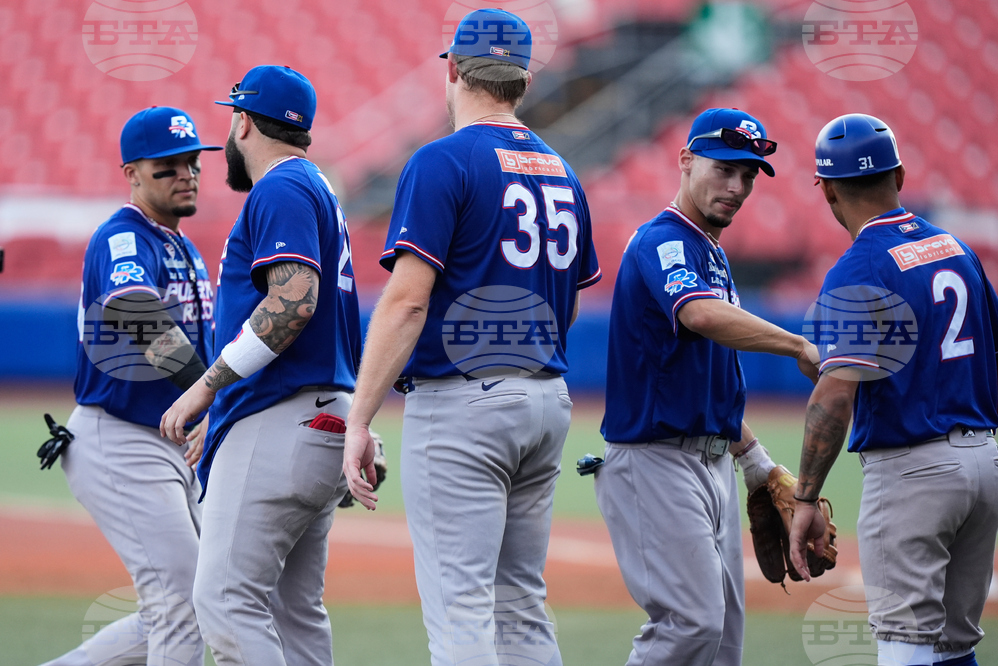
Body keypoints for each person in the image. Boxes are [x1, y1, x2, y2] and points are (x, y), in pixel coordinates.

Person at [342, 9, 601, 665]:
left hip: (465, 404)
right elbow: (567, 299)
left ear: (453, 69)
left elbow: (405, 302)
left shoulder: (441, 161)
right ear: (522, 80)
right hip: (546, 397)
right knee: (520, 606)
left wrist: (358, 417)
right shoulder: (562, 171)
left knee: (461, 611)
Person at [594, 108, 820, 665]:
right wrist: (796, 345)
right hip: (656, 462)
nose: (738, 187)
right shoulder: (664, 241)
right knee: (690, 625)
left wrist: (757, 462)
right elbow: (699, 315)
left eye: (748, 176)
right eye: (725, 170)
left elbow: (706, 382)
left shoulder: (710, 252)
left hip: (710, 464)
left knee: (722, 643)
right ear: (686, 160)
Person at [160, 65, 362, 666]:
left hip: (278, 419)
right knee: (294, 615)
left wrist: (205, 388)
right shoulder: (316, 187)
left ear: (242, 122)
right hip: (318, 415)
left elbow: (294, 301)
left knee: (223, 600)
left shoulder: (281, 187)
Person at [789, 114, 998, 666]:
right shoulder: (956, 248)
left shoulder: (860, 266)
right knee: (955, 646)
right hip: (983, 462)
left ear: (827, 189)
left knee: (904, 643)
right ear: (900, 175)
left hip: (915, 474)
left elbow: (835, 396)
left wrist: (807, 497)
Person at [46, 106, 220, 666]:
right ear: (132, 172)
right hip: (119, 438)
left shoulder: (184, 248)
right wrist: (206, 390)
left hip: (167, 442)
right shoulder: (122, 236)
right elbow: (135, 310)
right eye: (167, 166)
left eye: (192, 162)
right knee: (182, 604)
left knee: (192, 603)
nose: (185, 174)